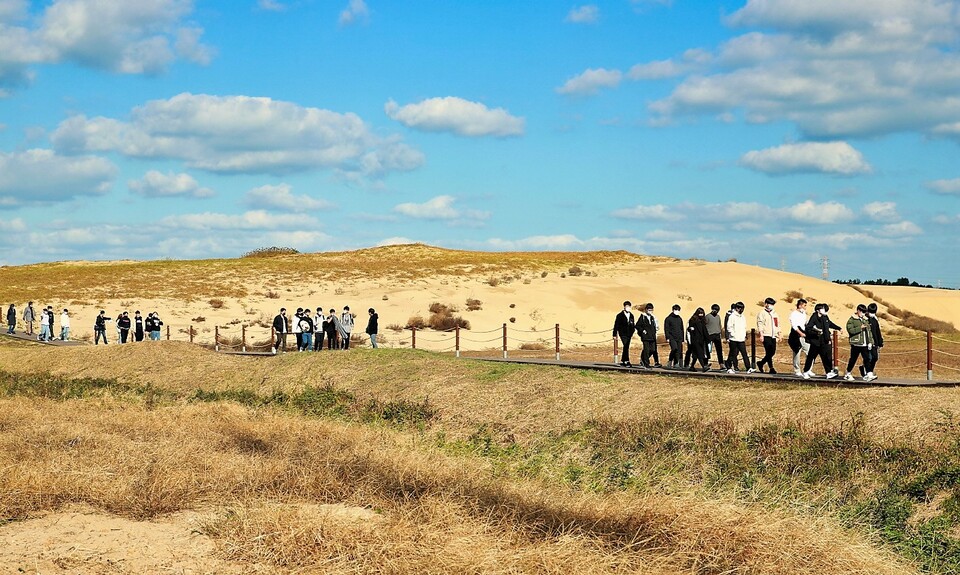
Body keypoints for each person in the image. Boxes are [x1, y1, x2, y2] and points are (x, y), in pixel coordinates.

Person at [802, 303, 842, 379]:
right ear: (818, 310)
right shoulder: (814, 317)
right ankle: (806, 372)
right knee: (811, 357)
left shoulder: (825, 317)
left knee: (826, 357)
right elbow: (808, 328)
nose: (824, 310)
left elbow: (829, 323)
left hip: (824, 341)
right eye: (823, 309)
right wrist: (817, 332)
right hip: (816, 342)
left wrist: (838, 328)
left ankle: (829, 372)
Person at [844, 304, 876, 381]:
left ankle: (869, 373)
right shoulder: (852, 320)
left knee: (867, 359)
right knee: (853, 359)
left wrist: (870, 342)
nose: (863, 314)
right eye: (862, 312)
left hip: (864, 343)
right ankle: (848, 373)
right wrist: (860, 328)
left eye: (865, 312)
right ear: (858, 311)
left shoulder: (865, 320)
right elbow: (850, 330)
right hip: (856, 343)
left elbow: (869, 332)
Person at [725, 302, 754, 373]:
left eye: (742, 308)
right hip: (734, 339)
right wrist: (733, 334)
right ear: (737, 308)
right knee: (732, 354)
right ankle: (728, 367)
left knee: (744, 353)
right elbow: (729, 327)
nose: (741, 310)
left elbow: (744, 327)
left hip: (741, 339)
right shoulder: (732, 316)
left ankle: (748, 368)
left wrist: (744, 335)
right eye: (740, 308)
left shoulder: (743, 317)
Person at [755, 297, 781, 373]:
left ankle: (761, 363)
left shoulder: (774, 313)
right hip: (766, 335)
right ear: (766, 304)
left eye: (772, 304)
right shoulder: (762, 313)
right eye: (770, 304)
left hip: (773, 335)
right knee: (769, 352)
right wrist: (761, 334)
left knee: (772, 352)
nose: (771, 306)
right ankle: (771, 368)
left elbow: (777, 324)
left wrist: (779, 333)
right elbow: (760, 324)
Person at [788, 298, 810, 376]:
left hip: (804, 335)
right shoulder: (793, 314)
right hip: (796, 335)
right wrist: (800, 333)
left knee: (809, 351)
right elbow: (794, 325)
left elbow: (805, 323)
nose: (805, 307)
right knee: (797, 353)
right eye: (804, 305)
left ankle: (808, 369)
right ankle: (797, 370)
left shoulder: (804, 314)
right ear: (800, 305)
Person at [612, 300, 636, 367]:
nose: (628, 308)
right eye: (627, 306)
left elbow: (633, 324)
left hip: (629, 334)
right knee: (626, 345)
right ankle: (626, 361)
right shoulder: (620, 315)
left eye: (629, 306)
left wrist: (633, 330)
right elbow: (616, 325)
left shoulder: (631, 315)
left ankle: (623, 360)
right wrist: (614, 334)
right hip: (622, 333)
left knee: (626, 346)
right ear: (624, 307)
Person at [686, 307, 710, 372]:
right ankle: (703, 366)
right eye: (700, 313)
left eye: (702, 313)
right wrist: (690, 329)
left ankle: (691, 366)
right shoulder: (693, 320)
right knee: (700, 353)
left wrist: (707, 338)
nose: (701, 315)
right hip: (695, 340)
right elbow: (689, 329)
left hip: (701, 340)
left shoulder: (702, 320)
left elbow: (704, 330)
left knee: (695, 355)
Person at [637, 303, 659, 368]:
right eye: (649, 310)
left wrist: (655, 332)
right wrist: (643, 330)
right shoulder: (642, 317)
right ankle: (646, 363)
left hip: (652, 337)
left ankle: (643, 359)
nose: (650, 311)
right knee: (646, 350)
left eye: (651, 310)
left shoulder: (652, 317)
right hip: (645, 337)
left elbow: (655, 326)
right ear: (646, 310)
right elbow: (637, 325)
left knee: (652, 350)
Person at [867, 303, 884, 378]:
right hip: (868, 343)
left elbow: (878, 332)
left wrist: (880, 343)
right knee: (870, 358)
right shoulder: (866, 319)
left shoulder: (875, 320)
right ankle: (868, 372)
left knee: (875, 357)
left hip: (875, 342)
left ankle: (868, 370)